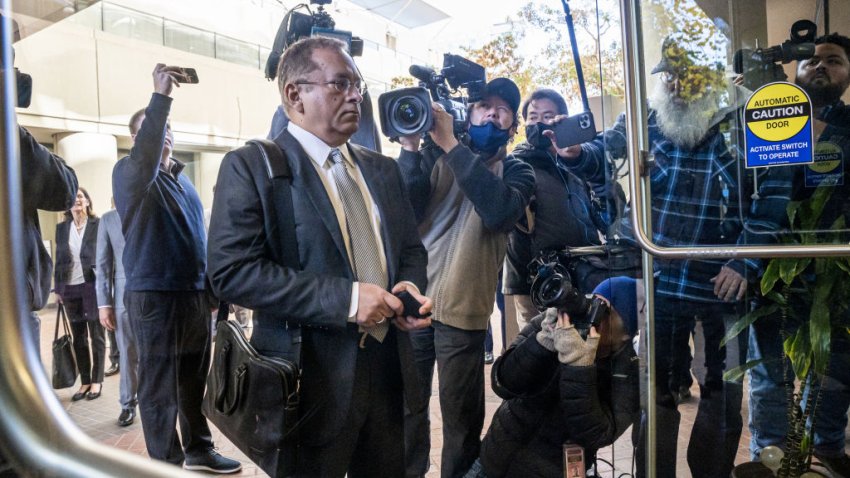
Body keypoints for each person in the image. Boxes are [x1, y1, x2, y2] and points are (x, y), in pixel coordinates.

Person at [561, 37, 793, 478]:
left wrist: (745, 259)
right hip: (661, 279)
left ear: (709, 77)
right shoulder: (646, 116)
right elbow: (603, 158)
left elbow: (775, 191)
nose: (673, 83)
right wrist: (576, 153)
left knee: (721, 391)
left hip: (723, 282)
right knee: (658, 391)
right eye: (666, 74)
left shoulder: (746, 117)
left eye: (683, 73)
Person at [207, 37, 433, 477]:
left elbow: (409, 250)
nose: (355, 96)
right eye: (340, 84)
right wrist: (348, 301)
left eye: (358, 87)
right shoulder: (252, 166)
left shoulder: (380, 169)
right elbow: (232, 272)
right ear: (295, 94)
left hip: (389, 373)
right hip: (309, 382)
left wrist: (408, 287)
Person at [398, 77, 535, 478]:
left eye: (503, 108)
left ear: (513, 126)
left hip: (466, 310)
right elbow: (403, 211)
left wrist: (453, 147)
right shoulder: (432, 156)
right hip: (413, 306)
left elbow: (498, 211)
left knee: (461, 421)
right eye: (483, 105)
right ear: (468, 114)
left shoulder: (518, 171)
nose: (492, 112)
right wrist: (410, 147)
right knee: (408, 409)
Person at [112, 64, 240, 473]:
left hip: (193, 299)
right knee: (158, 389)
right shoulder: (130, 174)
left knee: (191, 382)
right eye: (152, 128)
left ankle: (198, 450)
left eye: (167, 127)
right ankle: (166, 464)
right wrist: (161, 99)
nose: (163, 133)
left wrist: (214, 296)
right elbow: (146, 155)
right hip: (154, 298)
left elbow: (200, 244)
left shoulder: (184, 184)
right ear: (137, 140)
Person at [747, 32, 850, 477]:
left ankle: (823, 454)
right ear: (796, 70)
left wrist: (798, 119)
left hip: (838, 275)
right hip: (773, 271)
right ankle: (771, 459)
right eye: (811, 61)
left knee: (833, 371)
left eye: (834, 60)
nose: (821, 66)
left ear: (848, 75)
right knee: (771, 375)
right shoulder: (761, 123)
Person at [464, 276, 640, 478]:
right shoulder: (550, 324)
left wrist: (580, 367)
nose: (590, 315)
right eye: (590, 303)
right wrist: (541, 344)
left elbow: (597, 434)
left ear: (626, 333)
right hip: (492, 463)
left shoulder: (626, 371)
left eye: (603, 311)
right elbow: (503, 383)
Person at [503, 88, 614, 329]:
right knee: (539, 353)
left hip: (584, 275)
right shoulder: (515, 164)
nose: (539, 122)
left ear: (561, 120)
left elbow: (606, 216)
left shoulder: (575, 162)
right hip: (538, 283)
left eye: (547, 115)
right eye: (533, 117)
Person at [54, 188, 104, 402]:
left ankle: (97, 380)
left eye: (81, 197)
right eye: (74, 198)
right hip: (70, 287)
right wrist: (58, 289)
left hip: (91, 285)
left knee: (96, 334)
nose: (77, 200)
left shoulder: (97, 225)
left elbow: (104, 256)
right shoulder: (61, 228)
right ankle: (84, 380)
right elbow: (59, 260)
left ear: (87, 202)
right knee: (78, 337)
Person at [95, 200, 138, 426]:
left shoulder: (151, 209)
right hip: (123, 299)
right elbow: (102, 265)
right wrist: (104, 304)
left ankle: (154, 402)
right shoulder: (108, 220)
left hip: (157, 297)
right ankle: (127, 404)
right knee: (127, 353)